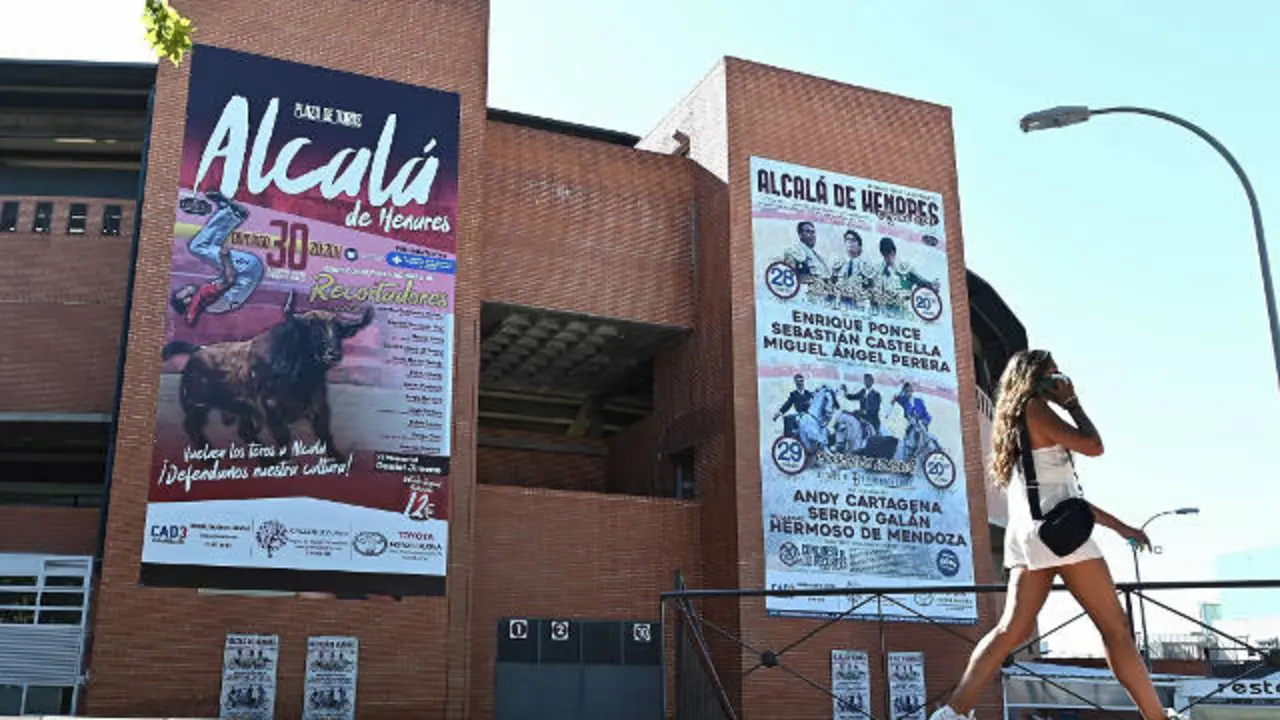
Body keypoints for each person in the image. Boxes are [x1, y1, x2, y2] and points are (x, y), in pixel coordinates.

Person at [929, 350, 1179, 720]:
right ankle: (1157, 718)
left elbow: (1065, 499)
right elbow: (1094, 446)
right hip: (1059, 536)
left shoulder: (1016, 417)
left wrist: (1121, 528)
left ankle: (951, 713)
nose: (1060, 380)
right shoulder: (1036, 409)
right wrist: (1073, 403)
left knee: (1010, 630)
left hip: (1032, 534)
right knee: (1116, 629)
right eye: (1054, 375)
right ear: (1035, 379)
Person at [169, 191, 264, 325]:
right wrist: (225, 258)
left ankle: (233, 214)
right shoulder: (204, 295)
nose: (184, 288)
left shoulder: (208, 305)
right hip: (246, 269)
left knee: (207, 246)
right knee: (197, 247)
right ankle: (232, 213)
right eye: (182, 292)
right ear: (187, 300)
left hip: (251, 273)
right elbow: (229, 279)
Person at [772, 373, 814, 438]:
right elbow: (787, 404)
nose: (800, 384)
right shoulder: (794, 394)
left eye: (801, 381)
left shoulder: (809, 394)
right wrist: (779, 413)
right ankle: (789, 437)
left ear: (803, 382)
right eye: (798, 382)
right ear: (795, 383)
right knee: (788, 418)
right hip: (799, 416)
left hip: (809, 416)